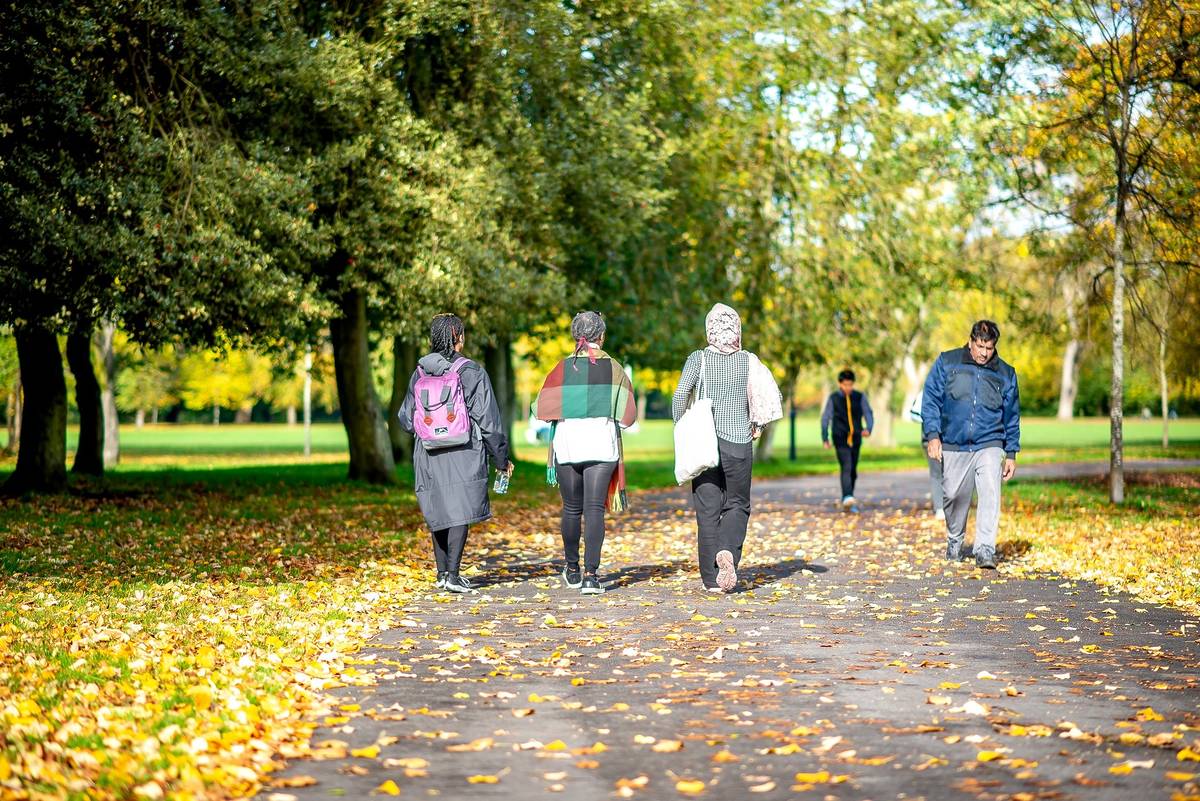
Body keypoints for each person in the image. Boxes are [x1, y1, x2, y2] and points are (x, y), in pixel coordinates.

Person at [398, 313, 513, 593]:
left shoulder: (419, 372)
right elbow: (488, 420)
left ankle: (441, 574)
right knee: (459, 510)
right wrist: (501, 458)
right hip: (464, 449)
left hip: (428, 451)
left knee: (438, 507)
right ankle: (453, 574)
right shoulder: (471, 371)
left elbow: (404, 417)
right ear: (458, 338)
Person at [533, 312, 638, 595]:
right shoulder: (615, 368)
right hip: (602, 445)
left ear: (574, 336)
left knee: (571, 509)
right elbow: (629, 416)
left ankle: (572, 570)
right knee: (594, 510)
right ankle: (591, 576)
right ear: (601, 336)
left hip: (567, 445)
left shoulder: (562, 368)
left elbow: (540, 409)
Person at [671, 303, 758, 593]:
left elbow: (680, 394)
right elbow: (765, 398)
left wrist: (680, 426)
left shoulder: (698, 358)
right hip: (738, 443)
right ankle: (728, 552)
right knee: (737, 504)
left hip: (704, 442)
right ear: (737, 329)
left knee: (707, 511)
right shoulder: (748, 360)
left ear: (709, 330)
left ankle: (711, 580)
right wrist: (757, 426)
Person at [921, 320, 1021, 569]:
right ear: (970, 341)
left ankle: (985, 548)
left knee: (990, 490)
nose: (984, 353)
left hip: (990, 441)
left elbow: (1012, 415)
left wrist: (1011, 452)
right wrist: (933, 434)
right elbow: (930, 398)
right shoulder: (948, 362)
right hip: (954, 443)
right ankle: (955, 539)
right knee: (954, 494)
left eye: (989, 348)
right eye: (980, 346)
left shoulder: (1005, 373)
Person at [820, 369, 874, 513]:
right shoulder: (834, 398)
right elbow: (826, 418)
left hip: (856, 437)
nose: (848, 388)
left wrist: (869, 428)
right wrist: (825, 437)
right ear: (840, 384)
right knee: (847, 466)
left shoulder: (859, 397)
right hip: (840, 438)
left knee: (853, 471)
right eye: (845, 385)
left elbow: (868, 412)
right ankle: (848, 496)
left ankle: (848, 497)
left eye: (850, 385)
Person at [909, 387, 946, 520]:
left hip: (946, 440)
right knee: (938, 473)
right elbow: (914, 414)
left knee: (944, 473)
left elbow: (914, 415)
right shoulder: (926, 392)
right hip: (932, 440)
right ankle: (940, 507)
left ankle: (944, 506)